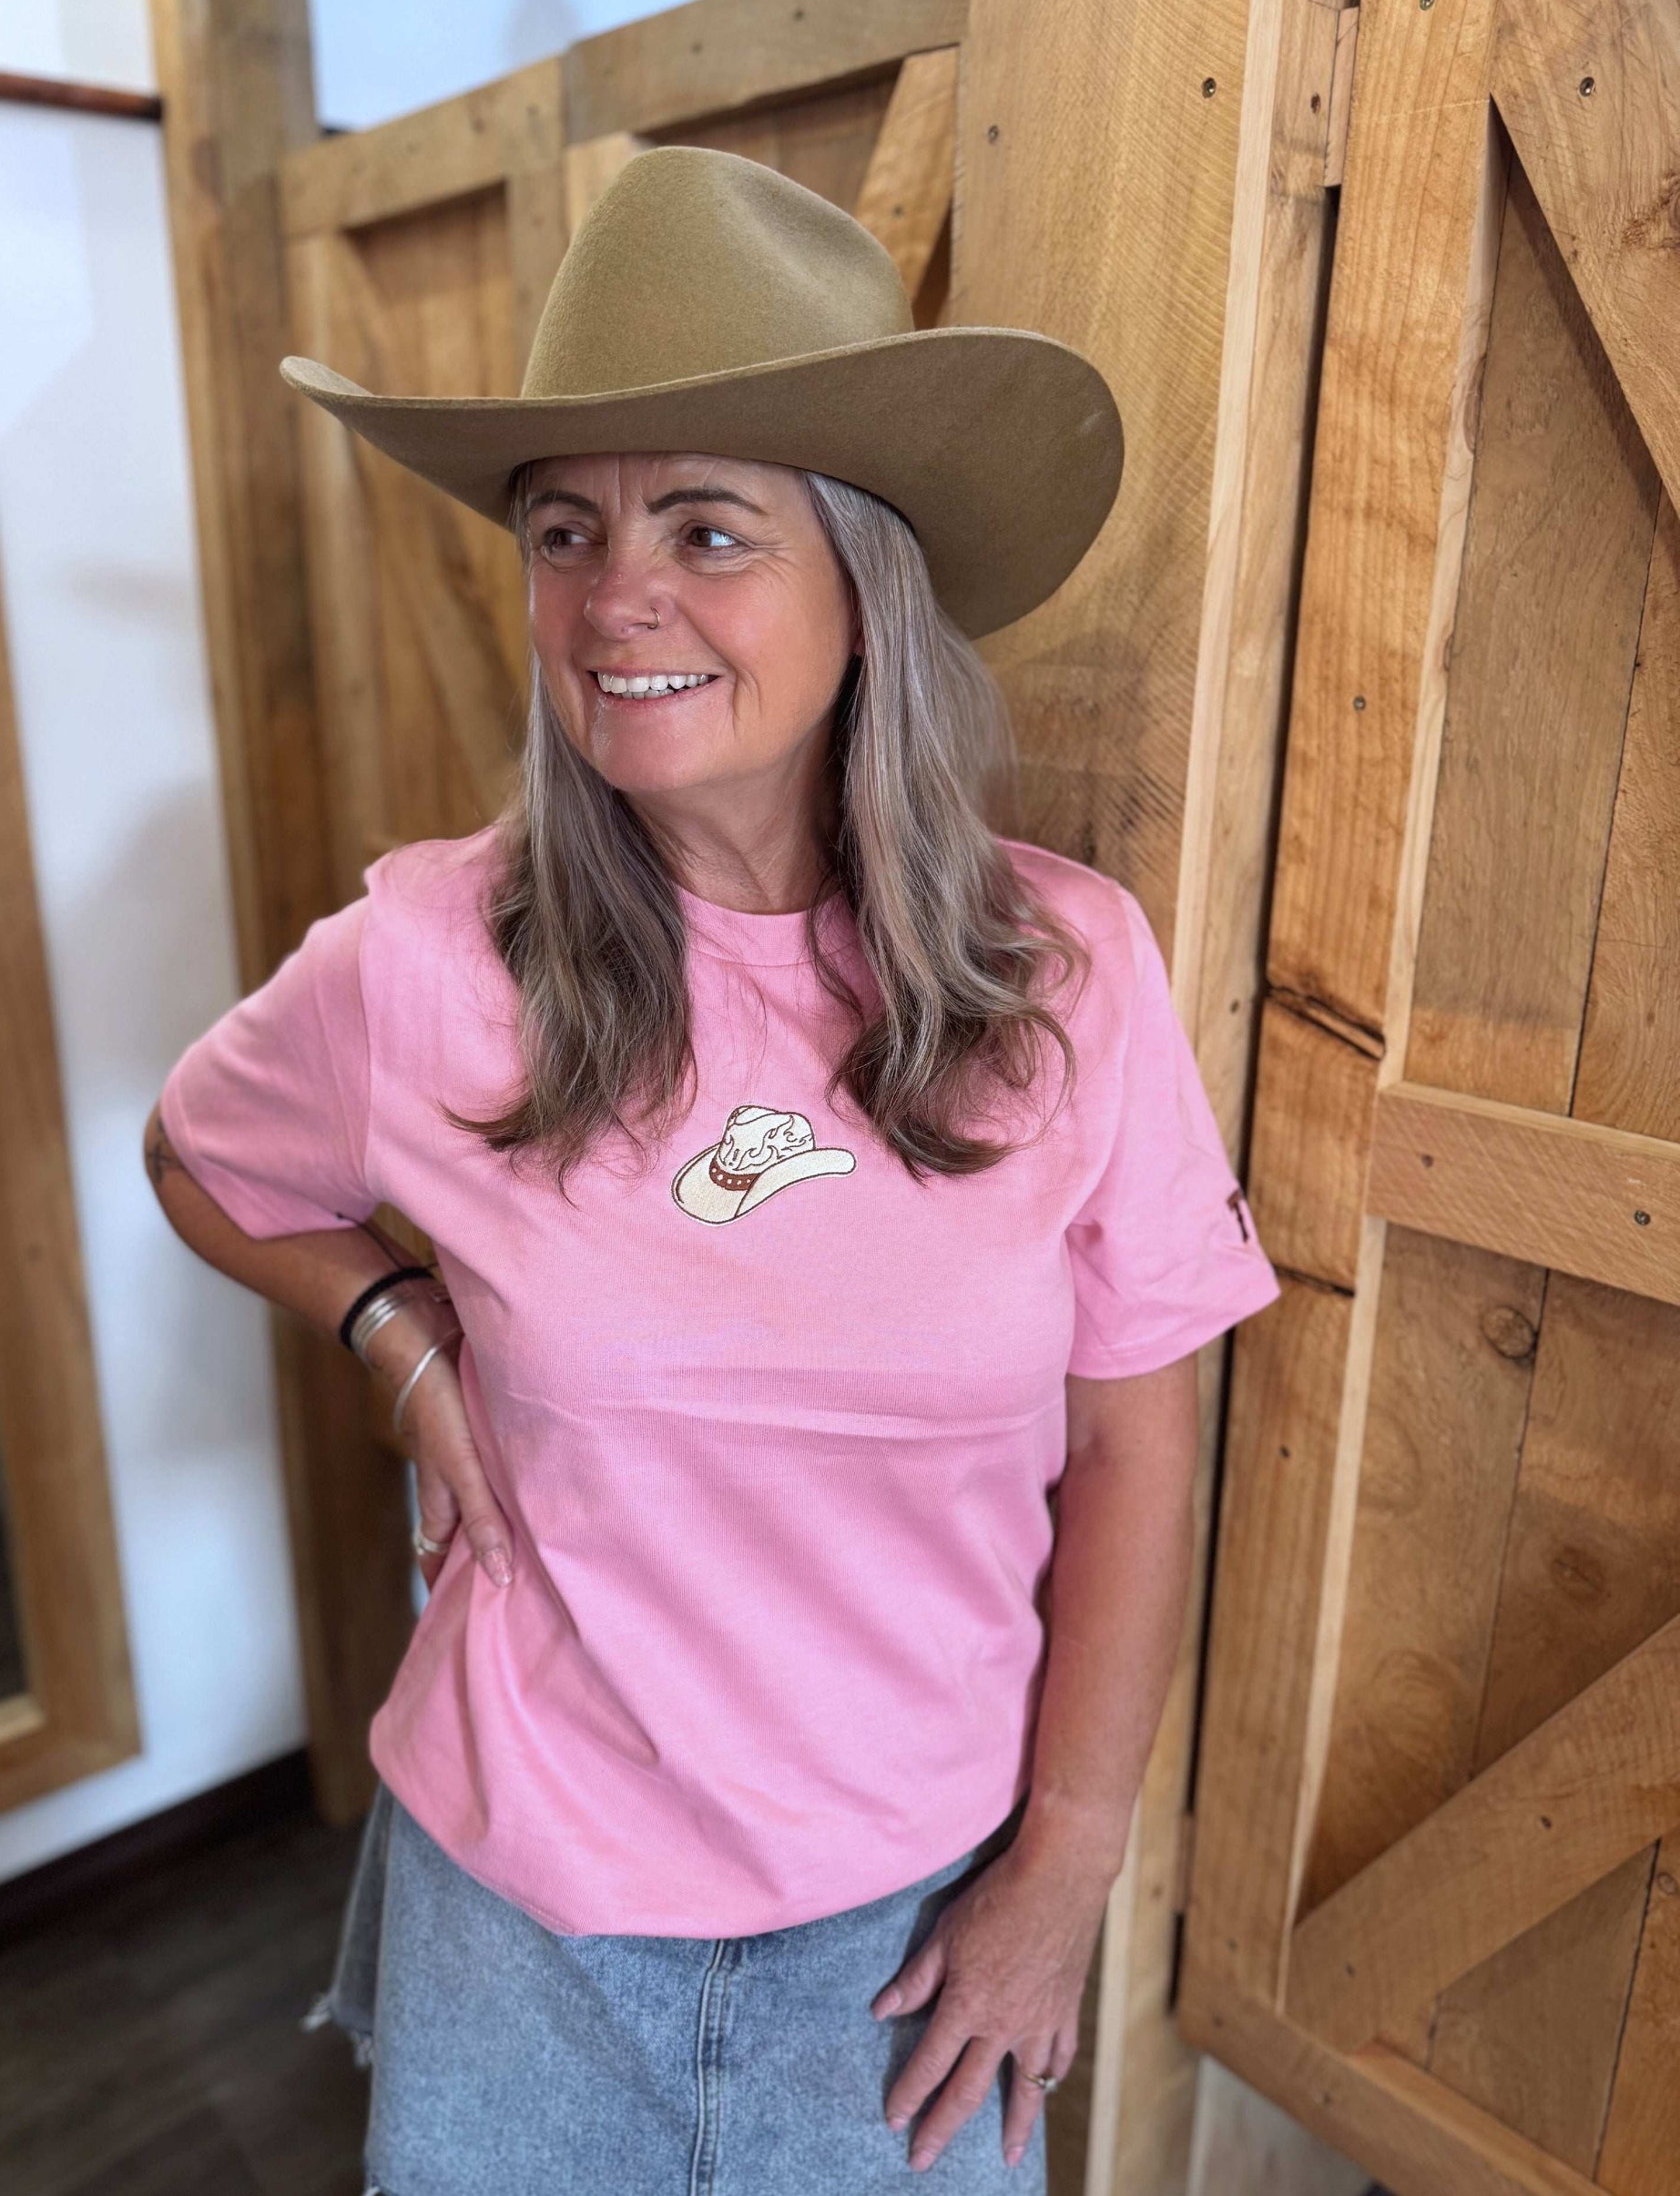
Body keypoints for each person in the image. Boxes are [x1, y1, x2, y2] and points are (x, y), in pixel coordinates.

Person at [146, 146, 1280, 2196]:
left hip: (916, 1946)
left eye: (704, 524)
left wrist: (1063, 1874)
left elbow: (1134, 1452)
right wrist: (395, 1327)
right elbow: (199, 1149)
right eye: (563, 528)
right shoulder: (423, 960)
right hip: (517, 1933)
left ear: (869, 575)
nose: (614, 595)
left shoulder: (1069, 970)